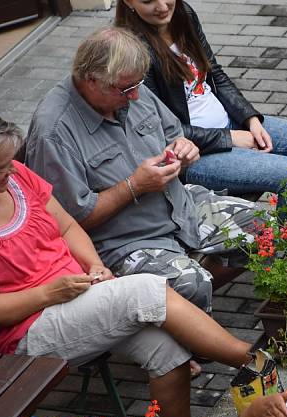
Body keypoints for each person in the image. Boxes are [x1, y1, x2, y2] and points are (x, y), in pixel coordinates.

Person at [0, 117, 253, 417]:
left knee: (164, 347)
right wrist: (48, 293)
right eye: (1, 167)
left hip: (79, 292)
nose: (11, 171)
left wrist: (95, 265)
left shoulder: (16, 177)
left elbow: (68, 228)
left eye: (9, 163)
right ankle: (253, 363)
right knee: (144, 291)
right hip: (28, 328)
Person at [25, 27, 261, 323]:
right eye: (126, 89)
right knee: (192, 284)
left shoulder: (128, 86)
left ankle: (179, 317)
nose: (135, 95)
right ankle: (184, 347)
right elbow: (70, 221)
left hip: (182, 209)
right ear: (91, 80)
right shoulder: (54, 133)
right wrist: (134, 186)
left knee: (267, 229)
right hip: (126, 242)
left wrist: (184, 149)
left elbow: (173, 135)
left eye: (137, 85)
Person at [114, 0, 287, 201]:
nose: (162, 6)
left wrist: (250, 119)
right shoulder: (132, 51)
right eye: (148, 1)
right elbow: (162, 130)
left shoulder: (184, 15)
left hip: (230, 125)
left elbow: (216, 75)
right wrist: (229, 138)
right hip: (194, 154)